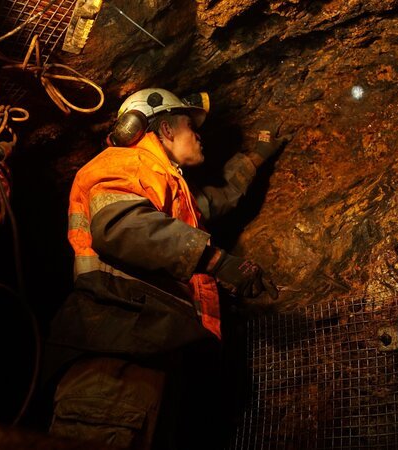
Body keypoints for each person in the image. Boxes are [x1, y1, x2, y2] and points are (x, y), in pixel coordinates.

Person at [45, 88, 289, 449]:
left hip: (146, 349)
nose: (199, 135)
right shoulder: (123, 162)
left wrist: (255, 157)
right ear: (168, 129)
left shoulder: (165, 183)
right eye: (191, 125)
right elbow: (121, 227)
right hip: (113, 357)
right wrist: (217, 261)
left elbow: (214, 199)